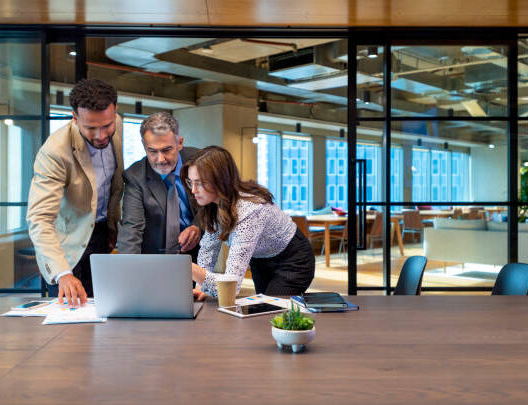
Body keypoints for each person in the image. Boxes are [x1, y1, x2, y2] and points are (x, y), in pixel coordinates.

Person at [26, 79, 123, 307]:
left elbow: (114, 185)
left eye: (106, 126)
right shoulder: (55, 152)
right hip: (66, 244)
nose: (100, 135)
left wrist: (112, 225)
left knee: (104, 311)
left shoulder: (116, 124)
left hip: (101, 235)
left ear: (115, 112)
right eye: (90, 128)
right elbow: (39, 219)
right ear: (74, 117)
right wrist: (63, 274)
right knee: (70, 326)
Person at [181, 146, 315, 298]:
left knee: (271, 310)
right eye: (190, 182)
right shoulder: (213, 206)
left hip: (293, 260)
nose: (193, 190)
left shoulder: (249, 211)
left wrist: (188, 268)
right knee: (263, 310)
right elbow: (208, 252)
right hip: (261, 260)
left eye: (199, 183)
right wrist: (200, 287)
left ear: (220, 180)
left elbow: (232, 287)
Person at [117, 112, 200, 260]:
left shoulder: (201, 161)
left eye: (167, 150)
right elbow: (132, 228)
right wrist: (128, 270)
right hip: (154, 257)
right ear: (144, 146)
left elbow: (217, 204)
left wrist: (197, 226)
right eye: (153, 151)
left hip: (199, 254)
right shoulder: (135, 176)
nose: (160, 159)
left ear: (179, 143)